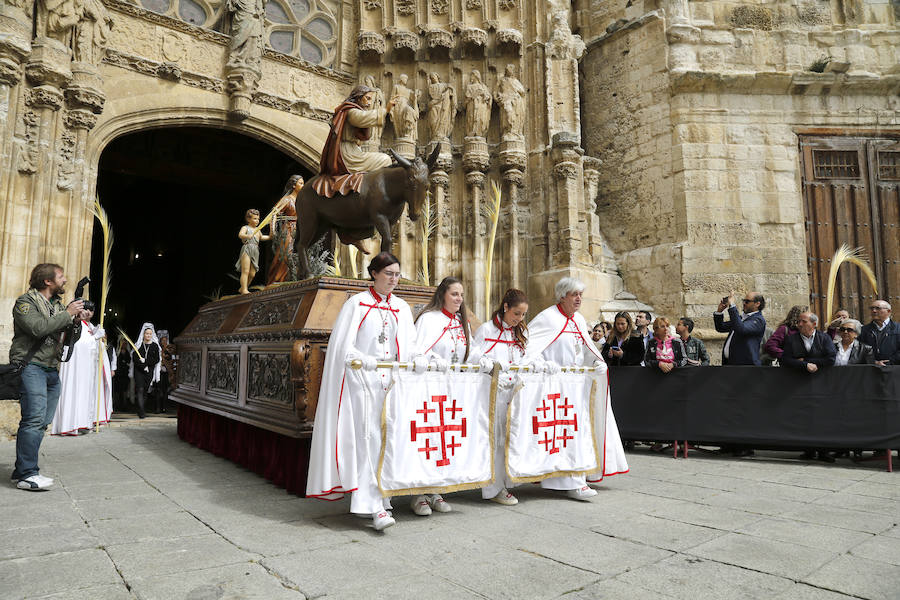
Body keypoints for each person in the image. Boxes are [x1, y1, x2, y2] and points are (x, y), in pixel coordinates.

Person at [306, 252, 423, 531]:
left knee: (390, 442)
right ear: (374, 274)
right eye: (388, 274)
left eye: (397, 275)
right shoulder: (357, 305)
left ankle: (386, 496)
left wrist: (418, 359)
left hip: (393, 387)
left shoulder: (402, 308)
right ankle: (373, 507)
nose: (394, 280)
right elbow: (342, 347)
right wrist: (361, 358)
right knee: (368, 443)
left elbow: (411, 344)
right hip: (363, 387)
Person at [525, 277, 629, 499]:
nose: (579, 298)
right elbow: (529, 350)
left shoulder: (579, 320)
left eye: (581, 294)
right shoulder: (547, 318)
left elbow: (585, 350)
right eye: (574, 294)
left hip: (575, 388)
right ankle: (568, 481)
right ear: (562, 296)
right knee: (559, 436)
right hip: (552, 389)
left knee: (577, 433)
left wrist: (596, 363)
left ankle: (577, 477)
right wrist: (543, 366)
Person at [10, 263, 84, 490]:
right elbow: (38, 328)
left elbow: (69, 339)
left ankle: (21, 468)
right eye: (60, 277)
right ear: (47, 281)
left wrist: (77, 321)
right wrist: (67, 314)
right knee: (33, 420)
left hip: (52, 369)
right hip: (32, 366)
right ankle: (27, 475)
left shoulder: (57, 306)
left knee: (42, 422)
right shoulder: (26, 302)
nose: (65, 280)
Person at [413, 277, 479, 515]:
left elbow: (471, 352)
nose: (459, 299)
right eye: (454, 294)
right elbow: (417, 352)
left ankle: (436, 489)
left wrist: (483, 360)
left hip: (453, 393)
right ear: (442, 295)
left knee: (444, 444)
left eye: (461, 295)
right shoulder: (429, 320)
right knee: (426, 441)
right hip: (428, 392)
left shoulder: (462, 322)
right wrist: (432, 361)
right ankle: (418, 493)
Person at [472, 288, 528, 507]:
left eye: (523, 315)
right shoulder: (486, 329)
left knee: (509, 438)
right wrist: (492, 368)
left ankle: (506, 481)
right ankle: (493, 487)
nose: (519, 319)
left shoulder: (519, 332)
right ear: (505, 307)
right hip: (492, 393)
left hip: (514, 394)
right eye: (516, 314)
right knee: (493, 439)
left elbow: (524, 357)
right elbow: (477, 358)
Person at [314, 85, 399, 197]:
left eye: (370, 99)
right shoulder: (351, 111)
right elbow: (363, 118)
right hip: (347, 154)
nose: (369, 102)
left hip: (354, 150)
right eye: (367, 98)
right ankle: (375, 191)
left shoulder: (352, 110)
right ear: (358, 97)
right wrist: (386, 109)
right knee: (385, 159)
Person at [51, 306, 112, 435]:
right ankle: (71, 424)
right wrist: (95, 338)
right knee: (75, 393)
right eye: (85, 309)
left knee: (86, 396)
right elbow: (78, 344)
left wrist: (97, 338)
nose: (88, 312)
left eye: (91, 309)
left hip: (86, 368)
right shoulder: (75, 323)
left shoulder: (90, 326)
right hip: (76, 367)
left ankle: (84, 423)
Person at [267, 175, 304, 285]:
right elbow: (274, 214)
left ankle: (292, 279)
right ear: (294, 185)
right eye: (301, 183)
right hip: (288, 229)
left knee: (299, 255)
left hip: (299, 230)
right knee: (285, 254)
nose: (303, 185)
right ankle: (277, 280)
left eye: (303, 183)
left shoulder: (302, 200)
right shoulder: (287, 200)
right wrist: (272, 230)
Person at [713, 291, 767, 365]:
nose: (744, 303)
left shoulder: (758, 320)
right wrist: (719, 311)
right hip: (730, 364)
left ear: (757, 304)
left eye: (747, 301)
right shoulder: (742, 318)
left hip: (746, 367)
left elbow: (741, 329)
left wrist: (732, 306)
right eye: (744, 301)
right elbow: (721, 327)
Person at [236, 209, 271, 295]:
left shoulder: (257, 230)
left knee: (252, 274)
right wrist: (248, 236)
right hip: (247, 249)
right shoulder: (245, 228)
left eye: (258, 219)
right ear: (248, 219)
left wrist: (270, 236)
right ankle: (244, 289)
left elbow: (261, 237)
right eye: (254, 218)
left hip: (255, 250)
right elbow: (240, 235)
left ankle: (243, 287)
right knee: (246, 271)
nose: (257, 221)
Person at [131, 323, 161, 419]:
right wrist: (143, 365)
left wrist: (146, 363)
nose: (148, 335)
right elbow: (134, 358)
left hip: (149, 371)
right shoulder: (139, 345)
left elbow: (156, 359)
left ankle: (141, 408)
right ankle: (142, 411)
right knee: (139, 389)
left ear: (152, 335)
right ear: (143, 334)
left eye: (150, 334)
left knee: (145, 391)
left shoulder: (155, 346)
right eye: (146, 333)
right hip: (139, 371)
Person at [859, 300, 900, 366]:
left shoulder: (898, 328)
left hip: (895, 369)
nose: (874, 311)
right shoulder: (864, 330)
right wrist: (874, 362)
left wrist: (889, 362)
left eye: (878, 308)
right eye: (872, 308)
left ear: (888, 311)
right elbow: (860, 350)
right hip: (871, 369)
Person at [157, 330, 175, 414]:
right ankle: (157, 407)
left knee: (165, 391)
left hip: (166, 372)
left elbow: (170, 358)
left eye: (165, 340)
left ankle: (164, 407)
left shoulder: (169, 348)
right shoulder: (157, 348)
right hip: (159, 372)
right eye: (162, 340)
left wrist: (165, 350)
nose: (164, 342)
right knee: (158, 390)